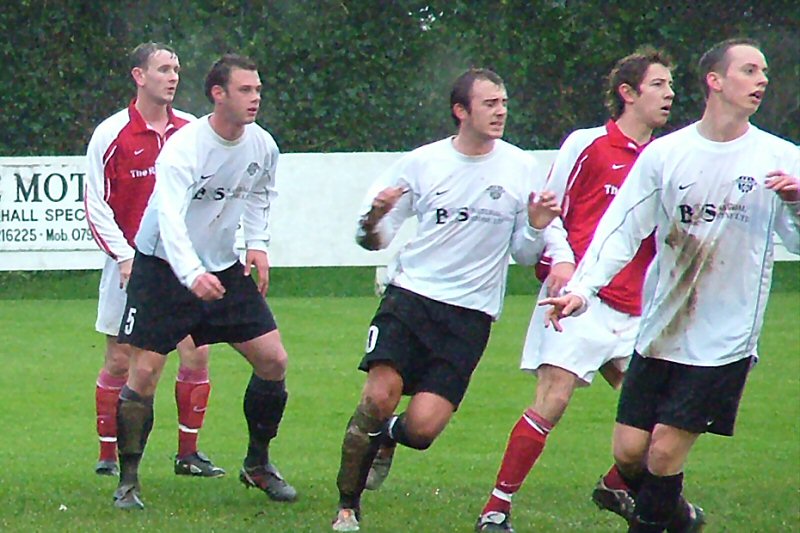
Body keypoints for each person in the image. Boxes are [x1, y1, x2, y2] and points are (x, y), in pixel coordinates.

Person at [540, 38, 799, 533]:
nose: (762, 79)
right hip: (661, 331)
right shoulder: (666, 154)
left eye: (764, 71)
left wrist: (796, 202)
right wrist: (583, 290)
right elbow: (621, 229)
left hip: (724, 341)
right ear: (715, 81)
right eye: (749, 70)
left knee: (661, 451)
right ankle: (682, 520)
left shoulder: (781, 159)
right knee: (630, 452)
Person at [331, 68, 564, 532]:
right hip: (411, 299)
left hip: (470, 316)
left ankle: (389, 438)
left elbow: (524, 253)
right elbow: (373, 240)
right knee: (379, 395)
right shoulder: (422, 163)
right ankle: (347, 507)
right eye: (489, 103)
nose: (500, 111)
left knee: (421, 431)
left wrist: (537, 226)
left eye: (503, 102)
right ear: (462, 111)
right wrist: (375, 215)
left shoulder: (519, 167)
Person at [475, 47, 683, 533]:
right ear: (627, 94)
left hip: (639, 307)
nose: (670, 94)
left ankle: (617, 485)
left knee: (659, 424)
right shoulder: (586, 145)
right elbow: (549, 212)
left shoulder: (670, 157)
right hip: (579, 298)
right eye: (658, 85)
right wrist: (563, 260)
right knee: (554, 397)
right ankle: (496, 509)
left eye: (671, 86)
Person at [110, 53, 297, 510]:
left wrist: (257, 243)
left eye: (257, 90)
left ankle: (257, 464)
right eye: (245, 90)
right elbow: (169, 217)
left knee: (273, 361)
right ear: (218, 94)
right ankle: (128, 481)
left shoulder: (262, 145)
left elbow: (259, 194)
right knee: (146, 372)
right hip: (163, 268)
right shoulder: (185, 147)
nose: (255, 99)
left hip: (221, 268)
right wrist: (191, 274)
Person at [85, 42, 223, 479]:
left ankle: (188, 454)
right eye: (163, 69)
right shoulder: (111, 134)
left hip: (183, 264)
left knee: (196, 354)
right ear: (139, 76)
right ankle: (109, 455)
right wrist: (125, 256)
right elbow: (95, 202)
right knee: (121, 362)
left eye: (177, 69)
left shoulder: (192, 132)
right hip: (130, 264)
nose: (173, 77)